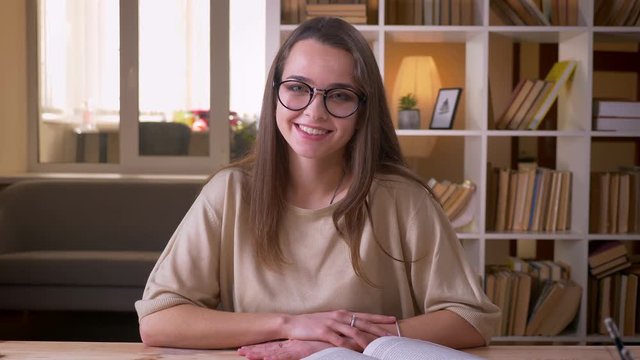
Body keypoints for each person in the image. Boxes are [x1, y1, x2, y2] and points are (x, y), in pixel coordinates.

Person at [135, 16, 500, 360]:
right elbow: (158, 320)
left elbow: (471, 319)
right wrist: (291, 326)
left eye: (339, 95)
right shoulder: (229, 192)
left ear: (363, 111)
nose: (314, 112)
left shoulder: (404, 199)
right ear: (275, 91)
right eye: (297, 88)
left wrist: (330, 342)